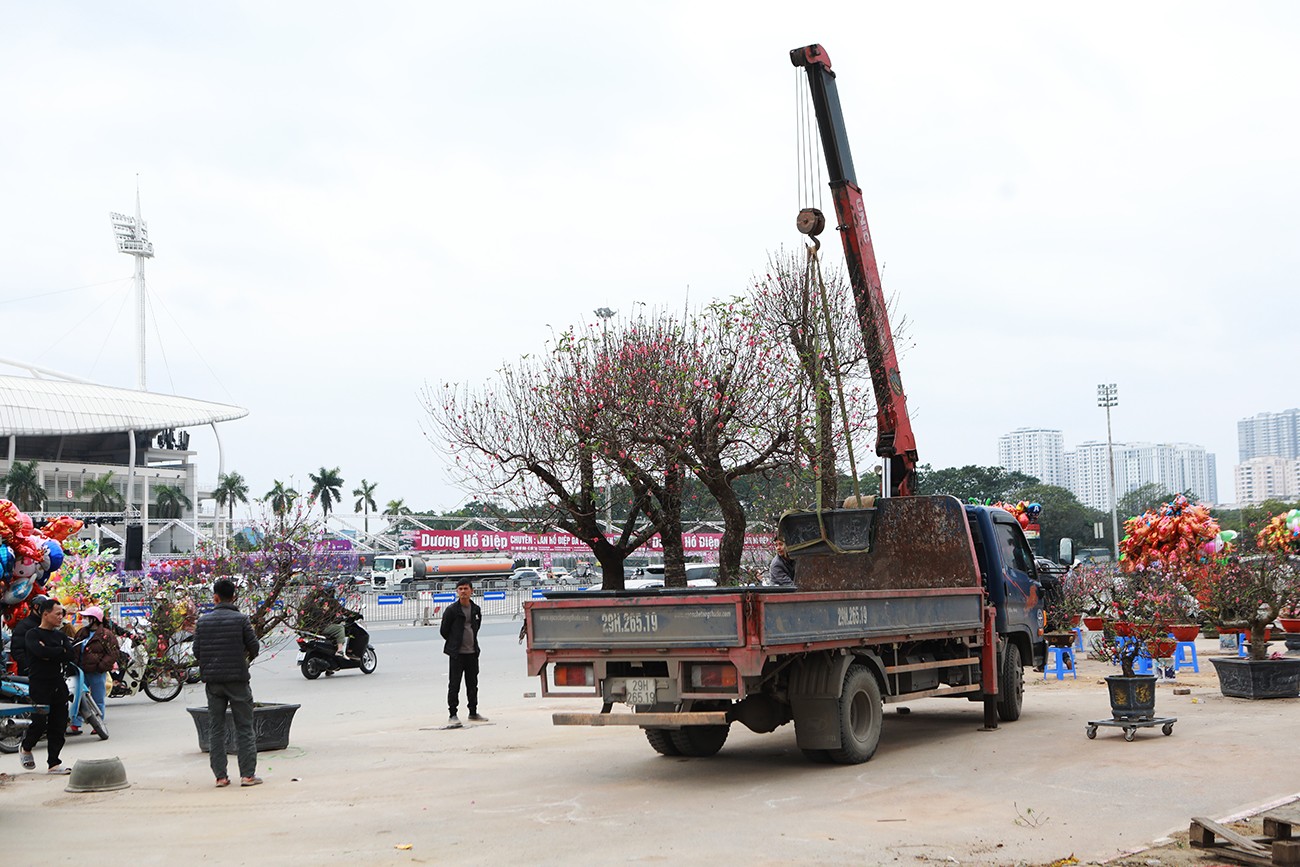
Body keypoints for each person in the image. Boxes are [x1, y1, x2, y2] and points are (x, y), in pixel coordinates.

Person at [192, 578, 262, 788]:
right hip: (238, 681)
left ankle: (220, 777)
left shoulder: (202, 622)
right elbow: (255, 647)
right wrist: (242, 659)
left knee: (216, 728)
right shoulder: (241, 620)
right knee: (244, 726)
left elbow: (197, 651)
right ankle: (247, 775)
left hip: (213, 682)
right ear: (234, 597)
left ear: (215, 597)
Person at [18, 596, 75, 774]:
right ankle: (26, 746)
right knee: (40, 721)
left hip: (58, 682)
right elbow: (38, 651)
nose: (61, 617)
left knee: (59, 724)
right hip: (39, 683)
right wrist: (57, 652)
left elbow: (69, 654)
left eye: (62, 614)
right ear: (45, 614)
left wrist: (51, 653)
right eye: (57, 614)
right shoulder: (32, 634)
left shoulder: (60, 635)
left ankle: (54, 763)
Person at [440, 578, 486, 728]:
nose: (463, 592)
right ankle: (452, 714)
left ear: (472, 591)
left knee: (472, 684)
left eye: (466, 589)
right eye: (460, 589)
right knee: (454, 684)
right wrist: (455, 642)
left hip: (472, 653)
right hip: (457, 654)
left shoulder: (476, 609)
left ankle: (473, 712)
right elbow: (444, 631)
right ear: (457, 592)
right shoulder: (452, 610)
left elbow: (476, 627)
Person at [68, 606, 120, 736]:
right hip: (80, 671)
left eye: (87, 617)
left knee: (98, 699)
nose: (84, 619)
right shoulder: (81, 633)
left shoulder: (106, 635)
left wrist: (101, 666)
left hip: (97, 672)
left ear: (95, 619)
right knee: (78, 697)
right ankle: (75, 723)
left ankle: (98, 724)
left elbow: (113, 653)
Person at [9, 595, 47, 676]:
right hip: (29, 674)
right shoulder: (23, 626)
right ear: (36, 607)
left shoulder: (47, 624)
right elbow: (17, 650)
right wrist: (28, 667)